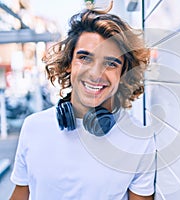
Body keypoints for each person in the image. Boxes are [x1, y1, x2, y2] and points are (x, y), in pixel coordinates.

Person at [10, 3, 156, 200]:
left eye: (111, 63)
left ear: (123, 74)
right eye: (85, 58)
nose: (96, 73)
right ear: (69, 64)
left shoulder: (139, 141)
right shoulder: (33, 127)